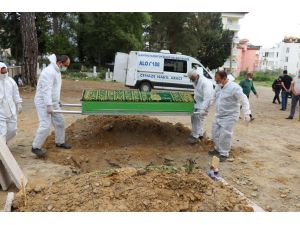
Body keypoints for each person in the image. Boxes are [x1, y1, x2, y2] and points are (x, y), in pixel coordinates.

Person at [32, 54, 71, 157]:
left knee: (60, 122)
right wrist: (49, 105)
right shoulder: (48, 72)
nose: (66, 67)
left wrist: (57, 101)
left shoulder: (57, 71)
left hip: (53, 101)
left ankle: (60, 142)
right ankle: (35, 147)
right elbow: (46, 90)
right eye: (66, 65)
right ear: (59, 63)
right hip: (43, 102)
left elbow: (55, 89)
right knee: (45, 124)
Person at [209, 71, 251, 162]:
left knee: (225, 135)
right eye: (216, 79)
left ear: (224, 78)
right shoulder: (218, 86)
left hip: (230, 115)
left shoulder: (234, 88)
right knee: (215, 132)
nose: (216, 81)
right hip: (219, 114)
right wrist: (206, 108)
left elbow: (244, 100)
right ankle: (217, 149)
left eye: (218, 80)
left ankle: (224, 153)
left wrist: (247, 113)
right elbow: (213, 97)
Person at [187, 68, 214, 144]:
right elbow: (197, 92)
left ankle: (195, 136)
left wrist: (203, 109)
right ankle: (200, 134)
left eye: (191, 78)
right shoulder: (195, 80)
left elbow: (207, 98)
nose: (191, 80)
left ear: (195, 76)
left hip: (205, 103)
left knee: (198, 118)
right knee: (194, 117)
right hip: (198, 102)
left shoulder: (205, 83)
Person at [0, 62, 22, 143]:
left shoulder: (11, 81)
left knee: (13, 130)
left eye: (5, 70)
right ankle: (2, 150)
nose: (5, 72)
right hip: (1, 111)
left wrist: (18, 103)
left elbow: (16, 93)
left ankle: (3, 145)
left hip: (11, 110)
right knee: (2, 132)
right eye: (2, 70)